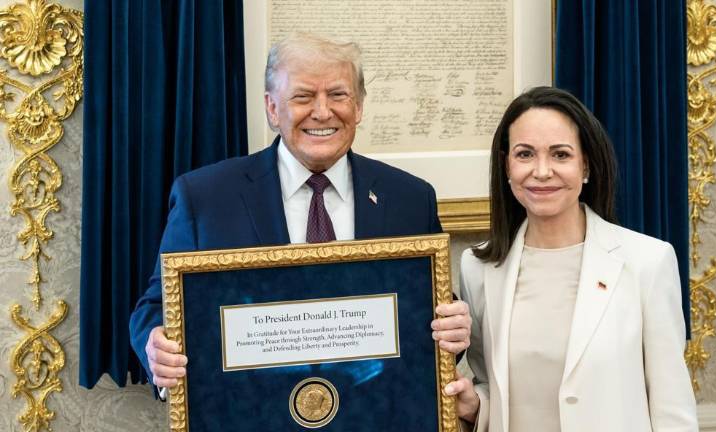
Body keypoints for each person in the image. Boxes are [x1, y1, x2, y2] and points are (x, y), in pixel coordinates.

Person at [128, 33, 470, 394]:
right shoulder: (205, 198)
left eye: (338, 95)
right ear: (272, 108)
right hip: (250, 409)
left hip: (376, 408)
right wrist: (156, 346)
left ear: (358, 106)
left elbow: (431, 312)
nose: (322, 112)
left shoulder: (410, 199)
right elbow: (158, 306)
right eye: (303, 97)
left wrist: (454, 330)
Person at [445, 87, 698, 431]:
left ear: (586, 165)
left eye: (561, 155)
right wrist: (476, 405)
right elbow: (492, 385)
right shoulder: (477, 267)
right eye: (525, 154)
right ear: (506, 165)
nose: (542, 171)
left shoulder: (648, 262)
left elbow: (673, 409)